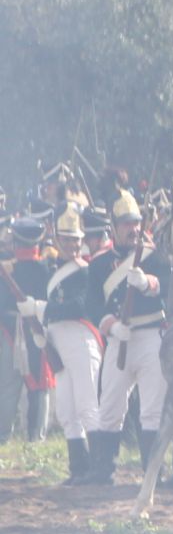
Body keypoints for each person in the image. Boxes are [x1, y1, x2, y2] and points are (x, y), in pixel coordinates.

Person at [89, 189, 170, 479]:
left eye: (136, 222)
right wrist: (111, 325)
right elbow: (93, 304)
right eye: (126, 224)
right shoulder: (99, 264)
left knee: (152, 409)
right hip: (118, 339)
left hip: (150, 336)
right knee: (110, 405)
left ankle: (154, 471)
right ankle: (103, 470)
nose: (133, 229)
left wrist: (149, 282)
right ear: (114, 227)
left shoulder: (155, 256)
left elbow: (171, 289)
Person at [42, 207, 106, 484]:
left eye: (75, 240)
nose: (72, 245)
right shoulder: (54, 271)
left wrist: (45, 310)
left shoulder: (86, 271)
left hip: (81, 340)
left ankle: (100, 470)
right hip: (59, 342)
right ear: (56, 240)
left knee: (87, 406)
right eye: (66, 239)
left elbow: (80, 305)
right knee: (66, 410)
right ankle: (78, 468)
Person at [0, 209, 54, 444]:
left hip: (9, 329)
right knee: (39, 386)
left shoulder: (7, 270)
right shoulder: (46, 269)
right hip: (36, 329)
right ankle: (36, 437)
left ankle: (3, 436)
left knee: (7, 386)